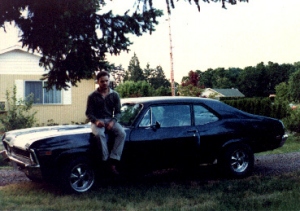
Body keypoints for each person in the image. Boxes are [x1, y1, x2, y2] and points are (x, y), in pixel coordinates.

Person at [85, 71, 126, 175]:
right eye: (102, 81)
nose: (104, 83)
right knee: (99, 134)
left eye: (106, 81)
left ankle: (114, 159)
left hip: (109, 119)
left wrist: (113, 122)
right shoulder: (92, 96)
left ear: (109, 81)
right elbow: (89, 113)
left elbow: (118, 113)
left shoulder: (115, 95)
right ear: (98, 82)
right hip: (97, 120)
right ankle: (105, 160)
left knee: (122, 133)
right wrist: (95, 121)